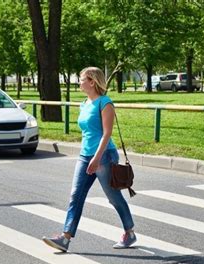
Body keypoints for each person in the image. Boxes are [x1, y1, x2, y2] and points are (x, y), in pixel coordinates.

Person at [42, 66, 136, 252]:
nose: (79, 82)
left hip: (103, 155)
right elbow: (88, 132)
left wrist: (97, 158)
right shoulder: (84, 104)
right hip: (85, 155)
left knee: (113, 196)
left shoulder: (105, 103)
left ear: (92, 81)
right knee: (76, 195)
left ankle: (129, 232)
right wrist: (88, 156)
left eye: (82, 79)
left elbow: (107, 134)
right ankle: (65, 238)